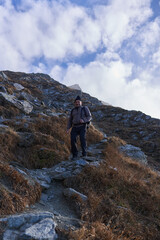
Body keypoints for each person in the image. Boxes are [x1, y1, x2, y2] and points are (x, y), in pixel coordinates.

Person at [67, 95, 92, 160]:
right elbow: (70, 120)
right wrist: (68, 128)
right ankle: (75, 155)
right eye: (76, 102)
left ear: (81, 102)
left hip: (82, 126)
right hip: (74, 127)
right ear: (74, 103)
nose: (77, 103)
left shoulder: (85, 108)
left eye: (78, 102)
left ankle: (84, 154)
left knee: (82, 139)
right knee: (72, 140)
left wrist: (84, 120)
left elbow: (89, 117)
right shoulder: (73, 110)